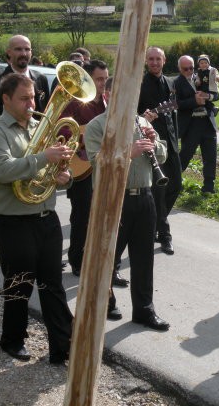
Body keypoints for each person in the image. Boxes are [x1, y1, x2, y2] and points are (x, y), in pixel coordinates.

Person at [0, 72, 74, 363]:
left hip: (46, 217)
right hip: (13, 221)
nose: (31, 103)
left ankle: (63, 346)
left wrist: (63, 176)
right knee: (19, 284)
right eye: (23, 98)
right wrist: (45, 157)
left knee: (53, 284)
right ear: (6, 99)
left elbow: (54, 175)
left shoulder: (39, 127)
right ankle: (12, 339)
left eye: (33, 97)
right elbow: (3, 171)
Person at [85, 77, 170, 331]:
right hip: (113, 198)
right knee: (108, 256)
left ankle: (144, 310)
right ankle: (106, 302)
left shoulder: (142, 121)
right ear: (108, 95)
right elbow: (97, 163)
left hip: (144, 196)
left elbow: (162, 155)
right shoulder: (97, 126)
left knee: (144, 258)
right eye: (121, 94)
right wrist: (128, 153)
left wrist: (154, 142)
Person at [60, 60, 108, 277]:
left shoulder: (107, 102)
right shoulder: (74, 103)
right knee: (81, 217)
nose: (103, 83)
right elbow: (62, 131)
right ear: (88, 79)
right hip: (81, 167)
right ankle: (77, 260)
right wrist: (87, 136)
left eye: (105, 79)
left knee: (100, 215)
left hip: (101, 167)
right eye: (99, 79)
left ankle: (95, 258)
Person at [138, 46, 182, 255]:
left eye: (158, 59)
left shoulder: (171, 82)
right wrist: (143, 117)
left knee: (176, 186)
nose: (154, 62)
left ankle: (155, 221)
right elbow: (133, 115)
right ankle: (165, 235)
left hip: (171, 144)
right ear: (146, 61)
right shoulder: (140, 85)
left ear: (164, 61)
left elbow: (172, 112)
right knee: (160, 189)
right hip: (152, 144)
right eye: (151, 59)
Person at [175, 55, 219, 194]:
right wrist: (194, 101)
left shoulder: (202, 76)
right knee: (185, 155)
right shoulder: (176, 83)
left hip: (207, 122)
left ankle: (208, 187)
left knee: (211, 156)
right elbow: (176, 104)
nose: (189, 71)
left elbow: (216, 95)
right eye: (185, 68)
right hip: (191, 124)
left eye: (191, 68)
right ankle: (174, 183)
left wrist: (207, 96)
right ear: (179, 68)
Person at [0, 35, 47, 123]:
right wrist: (13, 108)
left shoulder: (41, 78)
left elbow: (46, 110)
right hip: (6, 134)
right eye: (18, 49)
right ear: (9, 52)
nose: (23, 54)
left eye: (27, 49)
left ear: (31, 52)